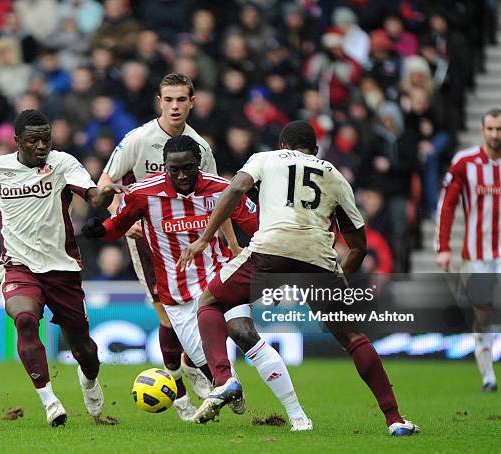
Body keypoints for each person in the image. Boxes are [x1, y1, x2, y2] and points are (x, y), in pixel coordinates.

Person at [180, 121, 420, 436]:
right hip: (317, 260)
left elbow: (236, 189)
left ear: (282, 145)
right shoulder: (335, 175)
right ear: (315, 151)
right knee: (352, 338)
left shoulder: (265, 158)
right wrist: (339, 276)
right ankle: (395, 419)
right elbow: (359, 246)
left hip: (271, 251)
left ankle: (224, 379)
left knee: (209, 301)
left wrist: (203, 238)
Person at [0, 109, 128, 427]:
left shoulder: (63, 162)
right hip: (18, 265)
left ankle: (90, 387)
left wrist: (103, 195)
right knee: (25, 319)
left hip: (62, 268)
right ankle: (51, 403)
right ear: (17, 142)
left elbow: (91, 195)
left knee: (84, 349)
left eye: (46, 139)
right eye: (34, 140)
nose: (42, 145)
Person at [83, 135, 258, 419]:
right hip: (174, 290)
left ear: (198, 164)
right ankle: (221, 382)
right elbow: (120, 224)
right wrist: (101, 231)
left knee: (242, 332)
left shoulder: (221, 188)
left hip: (216, 273)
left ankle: (288, 407)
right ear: (165, 166)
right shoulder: (143, 193)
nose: (181, 175)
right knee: (204, 359)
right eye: (173, 169)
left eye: (187, 168)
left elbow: (254, 221)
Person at [97, 73, 240, 420]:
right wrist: (122, 216)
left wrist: (233, 244)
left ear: (192, 102)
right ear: (159, 102)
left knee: (203, 312)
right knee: (168, 318)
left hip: (193, 240)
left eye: (181, 100)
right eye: (169, 100)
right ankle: (180, 393)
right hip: (148, 241)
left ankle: (198, 370)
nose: (175, 106)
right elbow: (104, 183)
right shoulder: (138, 139)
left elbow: (220, 196)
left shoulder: (199, 147)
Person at [436, 108, 501, 393]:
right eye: (491, 129)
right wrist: (443, 247)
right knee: (483, 314)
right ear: (482, 130)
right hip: (477, 254)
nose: (495, 135)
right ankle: (488, 375)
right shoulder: (464, 162)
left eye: (499, 130)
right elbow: (446, 205)